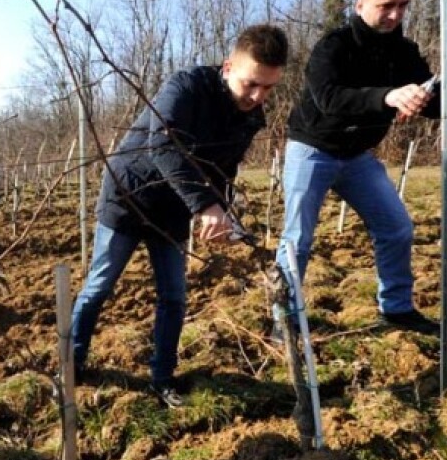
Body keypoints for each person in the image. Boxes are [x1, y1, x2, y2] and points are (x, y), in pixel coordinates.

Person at [70, 25, 289, 408]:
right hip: (129, 195)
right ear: (227, 67)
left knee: (174, 295)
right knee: (100, 285)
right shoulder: (186, 88)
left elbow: (224, 170)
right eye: (251, 84)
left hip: (174, 209)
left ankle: (162, 377)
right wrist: (205, 206)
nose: (258, 97)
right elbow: (163, 144)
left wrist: (224, 210)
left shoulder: (250, 117)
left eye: (269, 88)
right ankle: (71, 361)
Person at [275, 0, 447, 335]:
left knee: (396, 228)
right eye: (386, 6)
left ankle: (396, 309)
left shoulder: (404, 52)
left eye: (403, 6)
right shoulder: (334, 46)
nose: (395, 15)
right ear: (361, 4)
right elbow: (329, 98)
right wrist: (388, 96)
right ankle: (284, 321)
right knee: (297, 239)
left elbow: (430, 102)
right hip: (312, 150)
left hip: (357, 157)